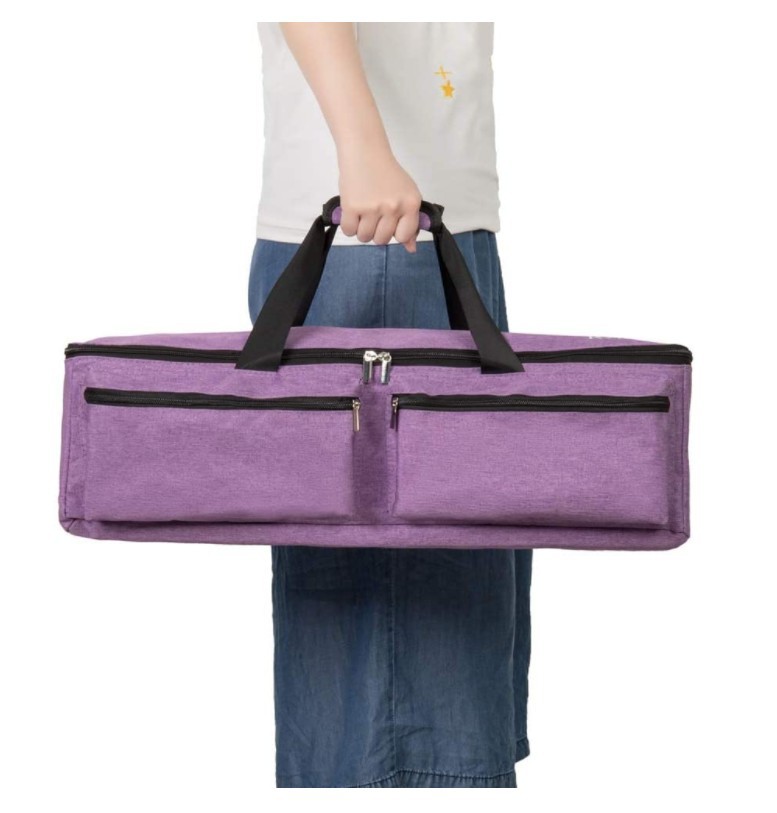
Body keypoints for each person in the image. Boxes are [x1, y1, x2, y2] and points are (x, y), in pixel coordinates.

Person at [249, 22, 532, 788]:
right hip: (378, 232)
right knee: (408, 676)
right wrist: (362, 148)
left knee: (450, 596)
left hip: (435, 228)